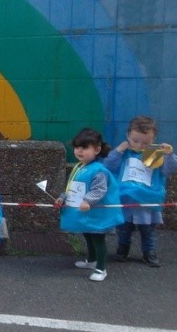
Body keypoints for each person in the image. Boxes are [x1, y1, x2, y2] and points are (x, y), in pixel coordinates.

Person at [103, 116, 177, 267]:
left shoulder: (155, 154)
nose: (140, 146)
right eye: (135, 141)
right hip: (125, 199)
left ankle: (149, 252)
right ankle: (122, 249)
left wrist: (169, 155)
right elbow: (109, 166)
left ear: (153, 139)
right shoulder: (124, 153)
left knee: (148, 231)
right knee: (123, 228)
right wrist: (117, 151)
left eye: (145, 143)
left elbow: (169, 170)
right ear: (128, 136)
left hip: (147, 201)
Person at [55, 128, 123, 282]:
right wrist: (62, 198)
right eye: (77, 147)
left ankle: (101, 268)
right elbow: (72, 187)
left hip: (95, 213)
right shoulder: (79, 167)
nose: (79, 151)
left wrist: (88, 201)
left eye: (84, 148)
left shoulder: (99, 170)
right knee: (87, 234)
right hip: (85, 211)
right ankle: (91, 260)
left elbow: (99, 190)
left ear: (97, 150)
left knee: (97, 238)